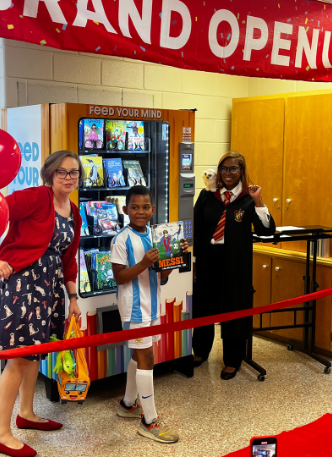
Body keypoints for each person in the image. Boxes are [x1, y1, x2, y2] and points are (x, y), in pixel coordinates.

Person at [0, 150, 83, 457]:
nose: (68, 178)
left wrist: (73, 297)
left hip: (48, 289)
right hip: (21, 285)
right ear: (50, 174)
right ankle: (0, 433)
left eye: (74, 173)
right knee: (18, 357)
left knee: (35, 353)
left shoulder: (74, 212)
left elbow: (69, 259)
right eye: (62, 172)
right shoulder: (37, 197)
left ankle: (26, 413)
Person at [111, 185, 185, 444]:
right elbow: (119, 277)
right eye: (134, 207)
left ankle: (128, 404)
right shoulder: (121, 239)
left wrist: (173, 257)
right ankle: (149, 421)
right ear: (125, 209)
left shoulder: (156, 237)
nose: (140, 212)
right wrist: (143, 263)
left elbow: (162, 276)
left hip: (153, 305)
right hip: (134, 307)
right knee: (147, 358)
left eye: (145, 207)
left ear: (153, 210)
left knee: (138, 354)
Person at [192, 151, 275, 380]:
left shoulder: (248, 199)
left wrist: (258, 200)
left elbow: (267, 230)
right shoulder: (208, 196)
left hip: (234, 264)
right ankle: (200, 352)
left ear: (242, 171)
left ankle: (232, 360)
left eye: (233, 169)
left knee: (233, 310)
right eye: (224, 169)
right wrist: (195, 261)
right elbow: (197, 229)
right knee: (203, 306)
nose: (228, 173)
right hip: (208, 259)